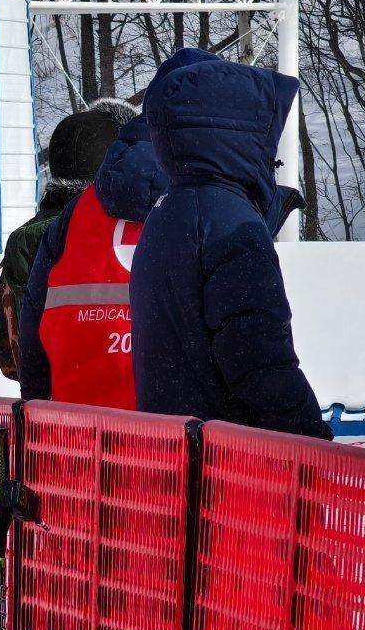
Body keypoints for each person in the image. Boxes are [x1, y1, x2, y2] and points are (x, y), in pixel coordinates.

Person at [129, 56, 328, 438]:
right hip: (230, 467)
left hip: (176, 453)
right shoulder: (230, 223)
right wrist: (313, 438)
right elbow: (258, 362)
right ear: (241, 135)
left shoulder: (168, 210)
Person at [18, 53, 219, 407]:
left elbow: (30, 342)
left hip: (76, 433)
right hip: (182, 438)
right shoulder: (209, 206)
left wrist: (37, 412)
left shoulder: (72, 218)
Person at [0, 104, 129, 382]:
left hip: (48, 412)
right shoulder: (124, 233)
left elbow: (8, 358)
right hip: (128, 413)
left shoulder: (25, 239)